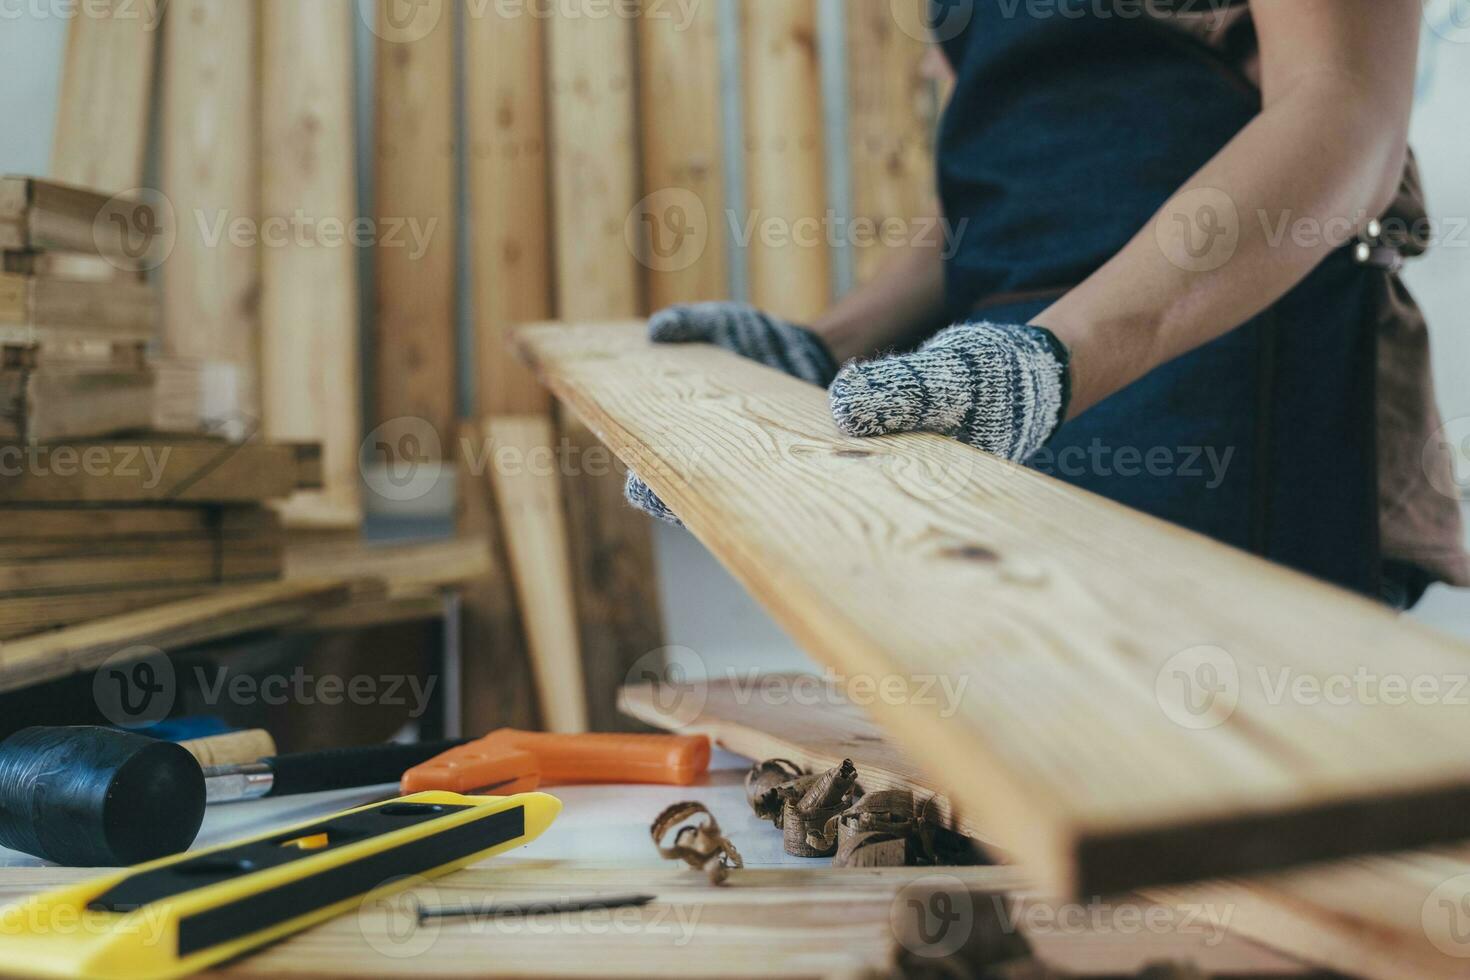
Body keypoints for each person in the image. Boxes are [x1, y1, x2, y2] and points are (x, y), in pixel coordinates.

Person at [625, 0, 1467, 609]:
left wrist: (1047, 359)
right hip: (1012, 407)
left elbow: (1344, 106)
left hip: (1233, 398)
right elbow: (1006, 199)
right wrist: (827, 348)